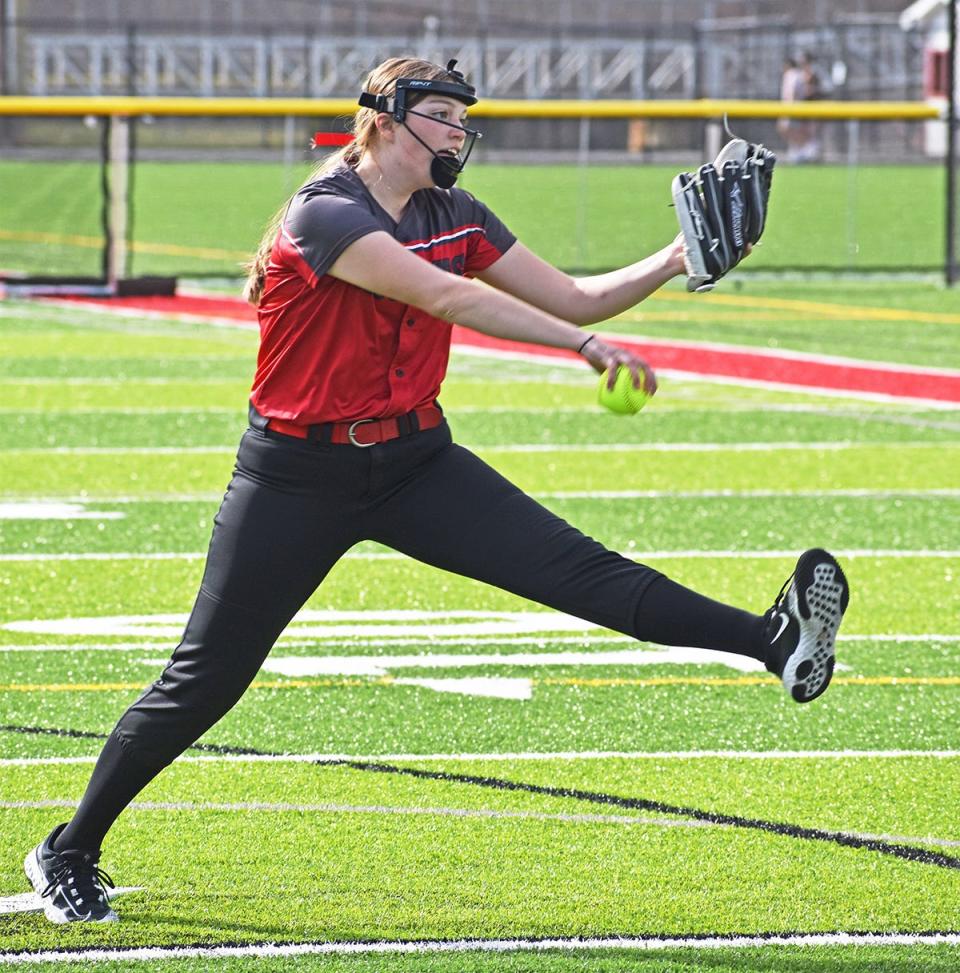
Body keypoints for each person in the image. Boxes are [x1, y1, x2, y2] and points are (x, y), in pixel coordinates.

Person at [24, 57, 850, 924]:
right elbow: (443, 295)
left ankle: (776, 641)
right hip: (297, 474)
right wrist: (578, 349)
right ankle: (68, 848)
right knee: (205, 679)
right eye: (442, 115)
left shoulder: (453, 211)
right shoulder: (325, 211)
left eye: (463, 118)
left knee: (583, 573)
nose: (459, 132)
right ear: (383, 120)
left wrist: (678, 257)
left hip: (416, 459)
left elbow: (578, 294)